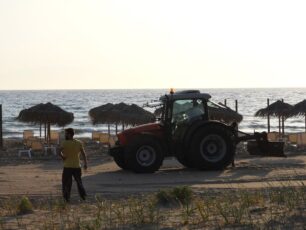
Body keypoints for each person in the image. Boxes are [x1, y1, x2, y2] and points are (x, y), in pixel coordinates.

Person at [59, 128, 88, 202]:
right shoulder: (78, 142)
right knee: (79, 182)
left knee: (66, 183)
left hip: (68, 166)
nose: (65, 134)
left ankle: (66, 198)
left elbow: (58, 151)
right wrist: (85, 163)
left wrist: (63, 157)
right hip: (77, 166)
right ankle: (83, 196)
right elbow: (83, 154)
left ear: (69, 134)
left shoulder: (65, 143)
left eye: (66, 133)